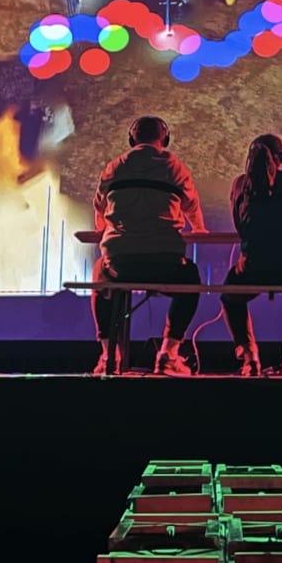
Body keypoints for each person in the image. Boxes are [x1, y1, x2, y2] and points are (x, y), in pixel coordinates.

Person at [91, 116, 207, 376]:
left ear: (132, 140)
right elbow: (192, 208)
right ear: (164, 140)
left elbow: (99, 210)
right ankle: (168, 354)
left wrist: (103, 229)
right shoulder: (176, 168)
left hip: (120, 263)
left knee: (101, 273)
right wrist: (199, 229)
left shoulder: (113, 168)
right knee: (191, 277)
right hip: (166, 262)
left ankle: (109, 356)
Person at [223, 134, 282, 377]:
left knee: (230, 295)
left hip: (252, 268)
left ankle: (249, 357)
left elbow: (240, 226)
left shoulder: (240, 184)